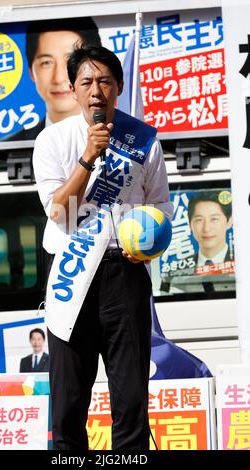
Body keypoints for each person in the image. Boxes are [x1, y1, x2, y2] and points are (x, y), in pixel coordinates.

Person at [33, 45, 173, 450]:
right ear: (74, 91)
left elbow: (161, 206)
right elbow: (58, 211)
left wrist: (148, 246)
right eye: (87, 82)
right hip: (71, 275)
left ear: (120, 87)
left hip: (124, 273)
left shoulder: (143, 140)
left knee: (130, 399)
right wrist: (88, 158)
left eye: (105, 82)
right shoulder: (52, 141)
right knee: (68, 401)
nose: (97, 91)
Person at [4, 17, 101, 141]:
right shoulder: (13, 144)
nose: (59, 78)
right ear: (31, 71)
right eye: (46, 62)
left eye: (71, 61)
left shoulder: (120, 138)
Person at [188, 191, 233, 268]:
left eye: (214, 219)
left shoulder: (243, 261)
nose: (206, 229)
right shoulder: (179, 267)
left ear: (229, 222)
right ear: (190, 224)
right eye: (199, 220)